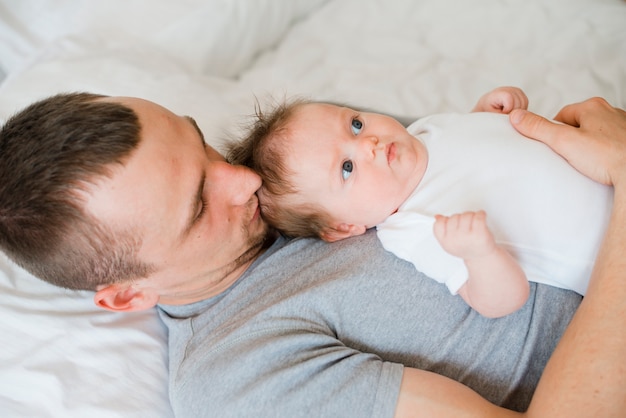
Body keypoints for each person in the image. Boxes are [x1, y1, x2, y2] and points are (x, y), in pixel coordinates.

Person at [0, 92, 624, 417]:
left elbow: (455, 143)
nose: (243, 180)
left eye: (203, 146)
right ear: (128, 295)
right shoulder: (240, 377)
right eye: (197, 206)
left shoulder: (287, 158)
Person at [226, 87, 612, 318]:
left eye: (355, 124)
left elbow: (471, 151)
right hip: (607, 246)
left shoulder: (421, 131)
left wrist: (485, 114)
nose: (368, 144)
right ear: (343, 226)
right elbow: (500, 301)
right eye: (346, 168)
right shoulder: (413, 227)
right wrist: (480, 254)